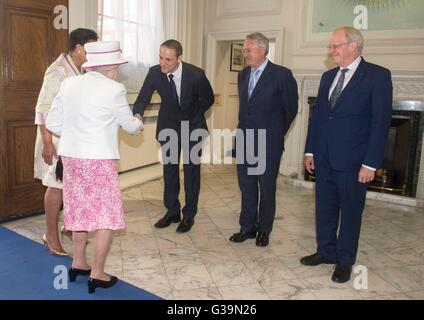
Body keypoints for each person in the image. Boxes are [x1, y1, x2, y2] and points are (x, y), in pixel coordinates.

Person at [46, 41, 143, 293]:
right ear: (110, 69)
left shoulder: (69, 84)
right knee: (106, 215)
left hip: (71, 157)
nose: (118, 73)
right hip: (99, 159)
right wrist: (139, 121)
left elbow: (53, 122)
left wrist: (75, 135)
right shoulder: (114, 89)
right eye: (117, 68)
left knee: (79, 210)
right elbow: (130, 126)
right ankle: (97, 273)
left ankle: (79, 262)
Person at [300, 27, 393, 283]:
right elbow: (318, 117)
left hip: (354, 161)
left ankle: (344, 260)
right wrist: (310, 150)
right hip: (324, 157)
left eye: (335, 46)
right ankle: (326, 251)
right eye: (330, 47)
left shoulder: (377, 76)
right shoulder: (328, 76)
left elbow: (380, 123)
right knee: (325, 208)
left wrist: (370, 163)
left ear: (353, 46)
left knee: (351, 211)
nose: (331, 51)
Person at [133, 39, 214, 233]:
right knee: (169, 170)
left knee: (191, 171)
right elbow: (143, 97)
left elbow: (208, 99)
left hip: (192, 126)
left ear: (179, 59)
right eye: (161, 57)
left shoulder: (196, 75)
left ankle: (189, 214)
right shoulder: (154, 73)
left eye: (168, 59)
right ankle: (172, 211)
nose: (163, 63)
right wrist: (137, 114)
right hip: (168, 125)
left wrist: (193, 114)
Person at [229, 32, 298, 247]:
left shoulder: (282, 75)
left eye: (248, 50)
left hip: (268, 143)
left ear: (262, 50)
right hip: (245, 140)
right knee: (247, 186)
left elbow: (291, 110)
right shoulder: (242, 75)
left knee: (266, 188)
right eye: (244, 49)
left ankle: (264, 230)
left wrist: (276, 134)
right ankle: (247, 227)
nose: (245, 53)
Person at [34, 28, 98, 256]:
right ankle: (50, 236)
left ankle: (70, 225)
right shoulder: (57, 71)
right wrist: (47, 144)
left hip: (74, 139)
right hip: (56, 140)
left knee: (74, 186)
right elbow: (42, 109)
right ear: (80, 48)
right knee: (56, 187)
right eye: (91, 48)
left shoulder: (80, 70)